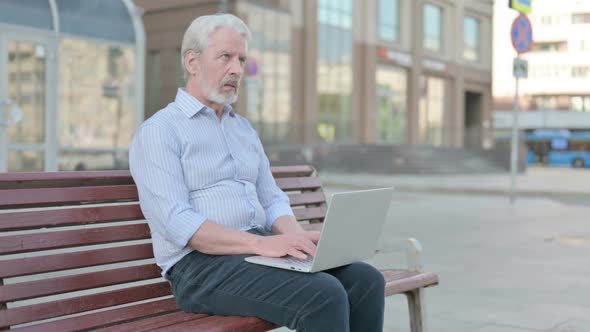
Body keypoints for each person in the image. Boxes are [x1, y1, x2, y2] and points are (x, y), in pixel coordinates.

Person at [129, 13, 385, 332]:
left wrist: (294, 236)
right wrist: (263, 246)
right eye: (225, 56)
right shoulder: (159, 131)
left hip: (253, 250)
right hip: (197, 266)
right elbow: (177, 222)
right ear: (192, 62)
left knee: (367, 281)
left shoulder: (243, 129)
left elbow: (272, 197)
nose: (237, 69)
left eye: (242, 59)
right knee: (324, 295)